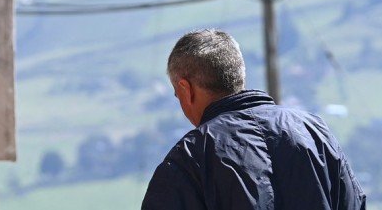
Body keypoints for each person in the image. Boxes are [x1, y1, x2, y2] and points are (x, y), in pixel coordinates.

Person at [142, 29, 366, 210]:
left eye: (176, 94)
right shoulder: (315, 132)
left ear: (185, 89)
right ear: (239, 76)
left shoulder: (191, 157)